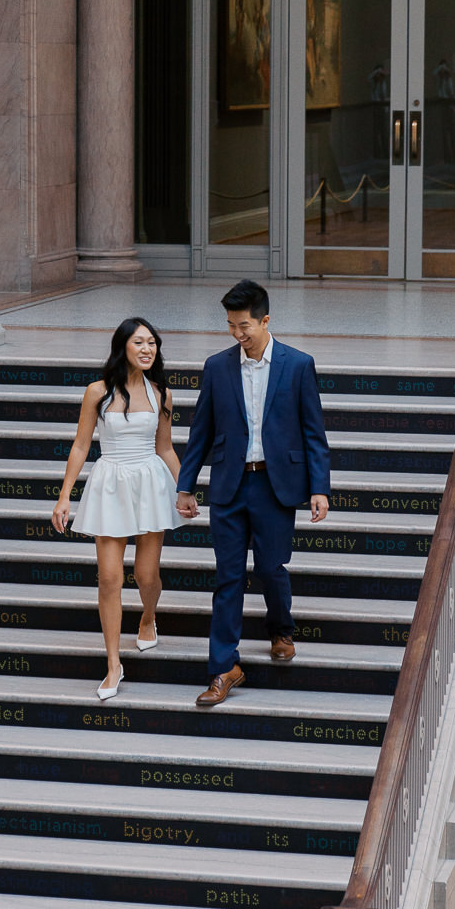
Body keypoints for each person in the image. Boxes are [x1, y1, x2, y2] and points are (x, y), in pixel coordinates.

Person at [175, 281, 330, 710]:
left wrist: (319, 488)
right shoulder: (217, 366)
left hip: (275, 485)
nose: (236, 334)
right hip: (229, 484)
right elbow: (200, 431)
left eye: (244, 325)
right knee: (227, 577)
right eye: (230, 325)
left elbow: (314, 432)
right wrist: (185, 485)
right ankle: (224, 667)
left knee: (270, 567)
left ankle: (281, 629)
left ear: (265, 320)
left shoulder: (298, 365)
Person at [52, 317, 179, 702]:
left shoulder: (162, 394)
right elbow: (80, 445)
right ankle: (113, 663)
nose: (147, 349)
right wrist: (64, 496)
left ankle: (148, 616)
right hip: (110, 481)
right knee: (109, 578)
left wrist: (185, 490)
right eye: (140, 342)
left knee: (145, 576)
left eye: (152, 343)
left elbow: (166, 448)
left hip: (150, 482)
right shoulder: (98, 392)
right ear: (122, 346)